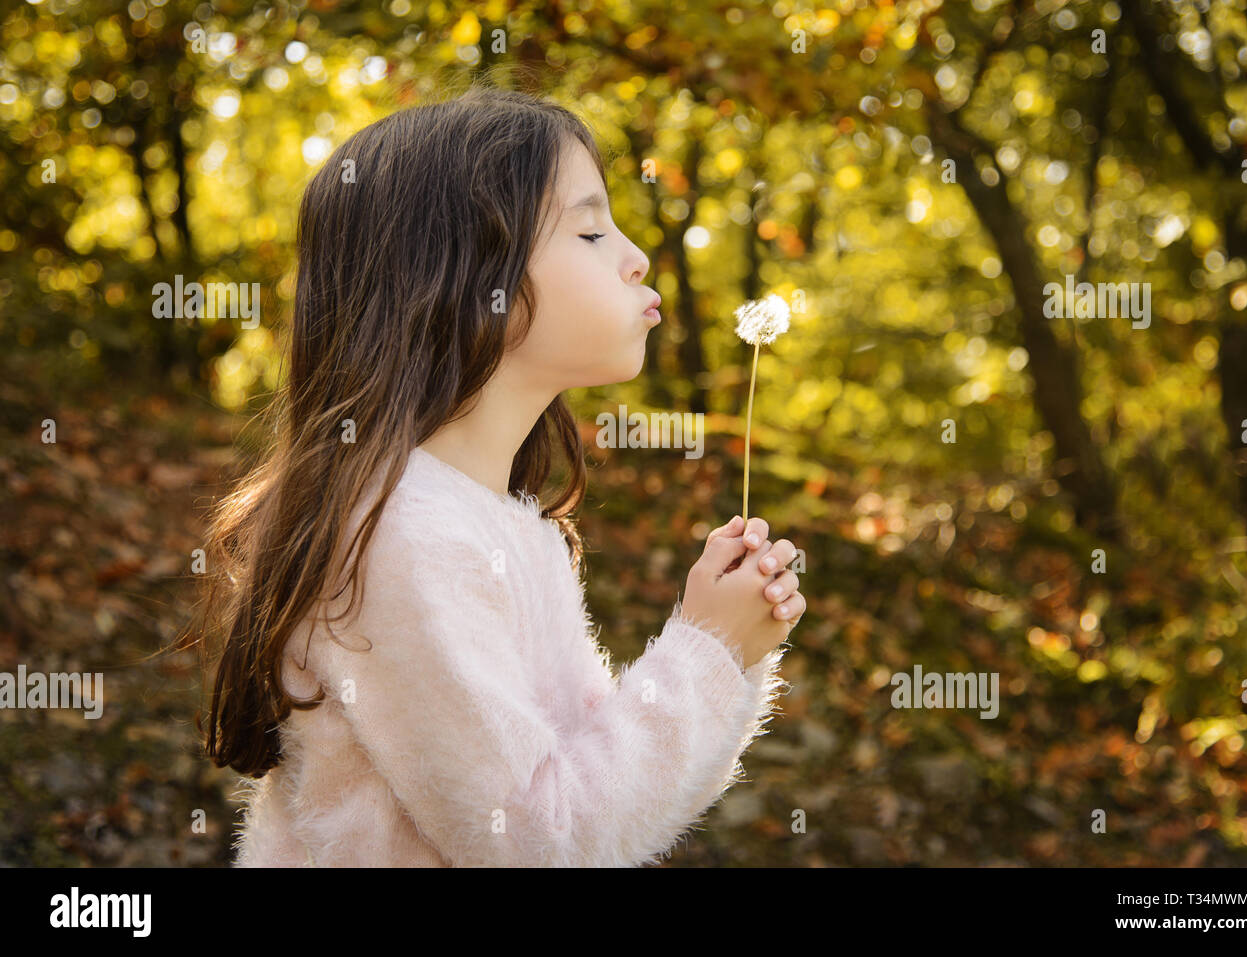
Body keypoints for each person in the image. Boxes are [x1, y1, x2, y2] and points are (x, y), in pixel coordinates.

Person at [176, 84, 806, 866]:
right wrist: (705, 650)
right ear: (477, 284)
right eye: (588, 229)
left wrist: (730, 650)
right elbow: (545, 839)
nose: (635, 254)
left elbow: (602, 798)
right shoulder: (404, 536)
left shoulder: (486, 522)